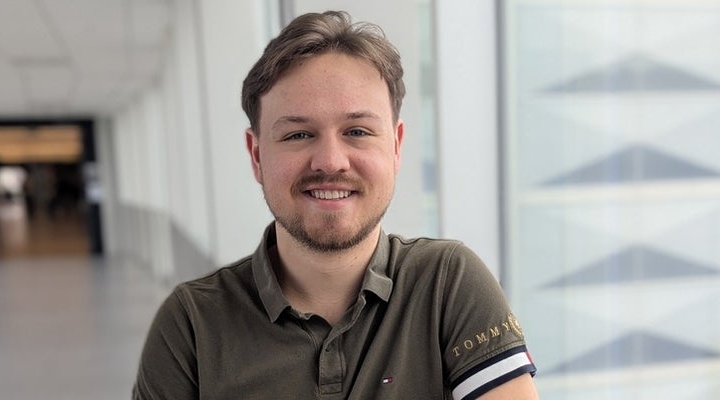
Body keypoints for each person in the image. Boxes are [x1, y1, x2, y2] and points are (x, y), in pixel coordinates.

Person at [133, 10, 537, 399]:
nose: (330, 161)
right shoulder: (190, 326)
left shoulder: (447, 283)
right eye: (297, 135)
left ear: (395, 147)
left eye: (357, 131)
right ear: (256, 156)